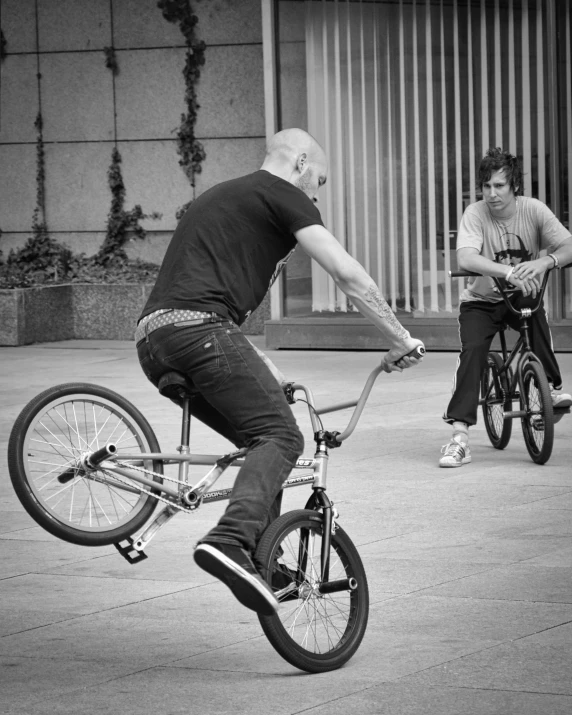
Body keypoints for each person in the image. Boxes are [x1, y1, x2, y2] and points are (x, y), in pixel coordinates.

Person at [136, 128, 425, 614]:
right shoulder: (283, 194)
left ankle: (257, 562)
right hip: (198, 334)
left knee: (260, 445)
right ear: (301, 163)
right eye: (321, 180)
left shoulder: (223, 196)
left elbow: (211, 315)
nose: (316, 192)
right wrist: (400, 337)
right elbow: (348, 275)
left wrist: (271, 374)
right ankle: (229, 541)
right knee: (283, 438)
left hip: (155, 342)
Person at [440, 147, 572, 468]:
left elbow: (568, 246)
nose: (491, 193)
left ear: (514, 186)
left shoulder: (534, 211)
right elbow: (466, 258)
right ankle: (459, 438)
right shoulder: (475, 213)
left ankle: (549, 391)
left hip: (520, 297)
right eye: (486, 186)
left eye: (499, 186)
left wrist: (545, 262)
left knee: (535, 319)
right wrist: (509, 271)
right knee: (472, 353)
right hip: (481, 302)